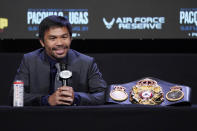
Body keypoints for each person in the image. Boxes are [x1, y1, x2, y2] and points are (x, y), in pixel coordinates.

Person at [9, 15, 107, 106]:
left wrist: (76, 98)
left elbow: (103, 95)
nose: (59, 43)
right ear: (42, 42)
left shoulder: (87, 62)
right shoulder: (29, 60)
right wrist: (46, 100)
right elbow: (15, 96)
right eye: (53, 38)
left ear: (71, 39)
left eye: (64, 37)